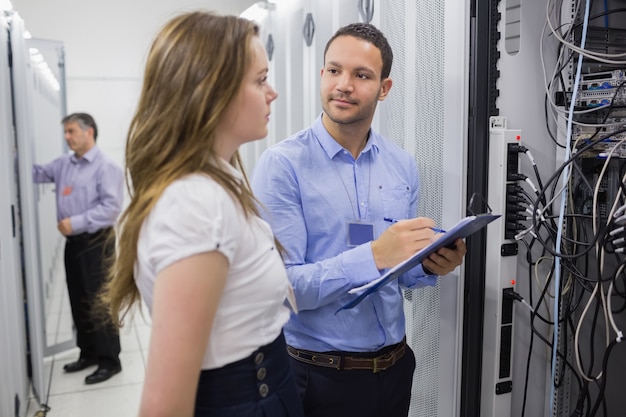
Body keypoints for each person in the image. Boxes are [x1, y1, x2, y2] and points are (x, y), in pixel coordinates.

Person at [251, 23, 468, 417]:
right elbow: (283, 288)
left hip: (395, 369)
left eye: (361, 75)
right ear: (322, 75)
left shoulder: (401, 165)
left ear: (384, 89)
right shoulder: (283, 166)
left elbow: (397, 274)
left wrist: (431, 265)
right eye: (334, 70)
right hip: (319, 378)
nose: (343, 84)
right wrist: (374, 254)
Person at [100, 11, 303, 417]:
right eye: (260, 80)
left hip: (267, 388)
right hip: (246, 399)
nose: (272, 92)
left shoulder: (219, 179)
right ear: (213, 92)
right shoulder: (195, 205)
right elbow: (164, 405)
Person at [32, 112, 124, 384]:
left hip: (97, 242)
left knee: (100, 301)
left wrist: (77, 222)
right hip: (73, 243)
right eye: (66, 132)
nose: (67, 137)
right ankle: (89, 353)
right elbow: (35, 173)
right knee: (78, 298)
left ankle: (110, 360)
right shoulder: (64, 164)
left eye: (71, 131)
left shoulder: (106, 166)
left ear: (89, 132)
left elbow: (111, 209)